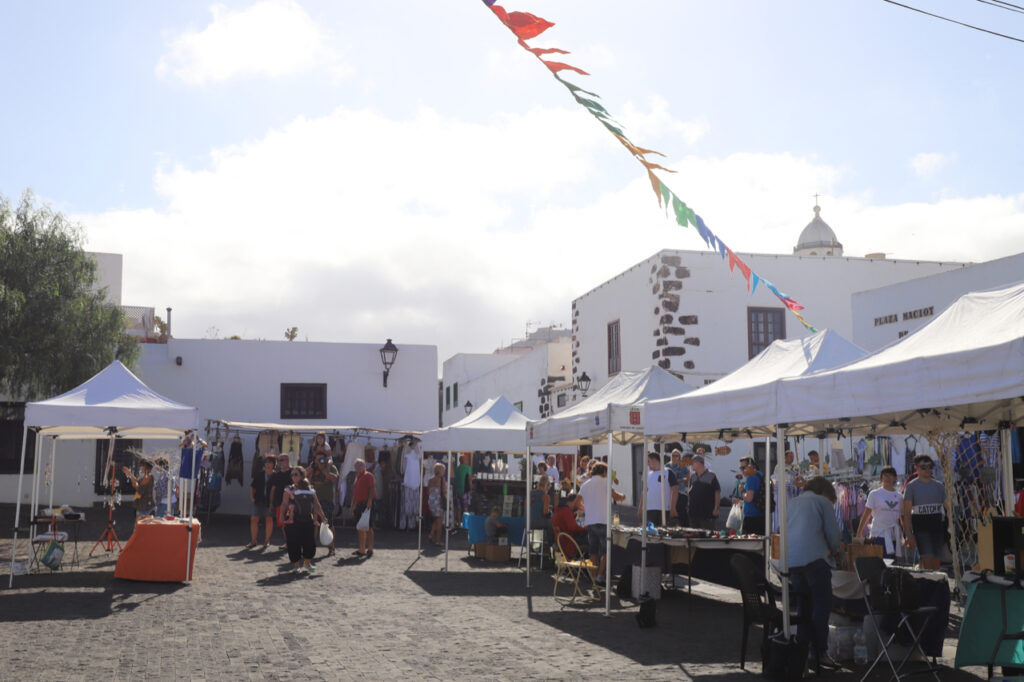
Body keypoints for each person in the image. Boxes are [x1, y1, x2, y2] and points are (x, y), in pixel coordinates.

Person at [786, 476, 842, 671]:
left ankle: (803, 649)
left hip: (792, 561)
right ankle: (820, 651)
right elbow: (834, 537)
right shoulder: (822, 502)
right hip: (815, 560)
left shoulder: (792, 503)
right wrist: (834, 550)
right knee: (821, 605)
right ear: (825, 492)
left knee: (804, 607)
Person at [577, 462, 625, 588]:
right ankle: (600, 577)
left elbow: (577, 503)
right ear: (603, 472)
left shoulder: (585, 484)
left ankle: (594, 578)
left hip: (590, 522)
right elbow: (617, 497)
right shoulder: (605, 483)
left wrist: (587, 508)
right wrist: (624, 496)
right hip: (603, 521)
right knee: (606, 551)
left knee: (593, 551)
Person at [902, 454, 946, 570]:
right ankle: (928, 585)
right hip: (921, 528)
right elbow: (906, 513)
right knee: (927, 561)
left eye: (930, 466)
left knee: (936, 564)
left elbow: (949, 509)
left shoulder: (940, 486)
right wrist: (909, 534)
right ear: (916, 468)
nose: (928, 470)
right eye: (923, 467)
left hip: (937, 527)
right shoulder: (911, 487)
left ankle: (933, 586)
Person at [280, 466, 327, 574]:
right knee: (293, 542)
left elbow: (316, 505)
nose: (293, 477)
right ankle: (296, 565)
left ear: (302, 476)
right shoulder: (289, 489)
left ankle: (307, 562)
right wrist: (281, 516)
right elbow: (284, 503)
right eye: (292, 475)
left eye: (296, 474)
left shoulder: (310, 489)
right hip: (294, 519)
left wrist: (323, 517)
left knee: (309, 542)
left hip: (307, 518)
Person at [855, 466, 905, 558]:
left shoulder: (899, 497)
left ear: (895, 478)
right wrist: (858, 534)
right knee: (878, 564)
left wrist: (907, 535)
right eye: (885, 475)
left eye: (890, 475)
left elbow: (902, 518)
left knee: (891, 565)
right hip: (878, 535)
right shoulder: (874, 494)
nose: (887, 477)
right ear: (881, 477)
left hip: (893, 536)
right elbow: (866, 515)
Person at [309, 452, 339, 556]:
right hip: (314, 499)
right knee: (313, 523)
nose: (319, 461)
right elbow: (305, 477)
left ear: (325, 459)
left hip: (327, 499)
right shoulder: (313, 467)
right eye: (317, 459)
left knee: (329, 523)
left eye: (321, 459)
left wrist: (324, 468)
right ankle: (311, 546)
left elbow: (335, 478)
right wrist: (312, 467)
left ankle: (331, 547)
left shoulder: (331, 467)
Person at [640, 451, 678, 526]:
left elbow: (675, 490)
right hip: (649, 510)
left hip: (664, 510)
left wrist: (673, 507)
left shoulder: (668, 472)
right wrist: (640, 508)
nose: (647, 464)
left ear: (654, 461)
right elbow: (644, 491)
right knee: (650, 533)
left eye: (648, 461)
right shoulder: (648, 474)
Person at [247, 456, 276, 548]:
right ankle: (253, 541)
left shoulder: (276, 476)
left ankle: (267, 541)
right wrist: (252, 497)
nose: (267, 464)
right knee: (254, 519)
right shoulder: (260, 474)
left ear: (273, 464)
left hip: (269, 501)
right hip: (258, 500)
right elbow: (252, 486)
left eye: (270, 462)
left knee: (269, 519)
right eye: (266, 462)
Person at [350, 458, 376, 557]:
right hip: (359, 504)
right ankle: (362, 549)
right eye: (356, 465)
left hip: (366, 503)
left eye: (359, 465)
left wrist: (369, 501)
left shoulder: (368, 475)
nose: (357, 467)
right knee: (360, 527)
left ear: (364, 466)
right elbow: (355, 494)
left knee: (368, 526)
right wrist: (352, 507)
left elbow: (372, 488)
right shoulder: (357, 477)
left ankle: (370, 548)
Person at [687, 454, 721, 530]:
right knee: (694, 537)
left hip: (707, 514)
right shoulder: (692, 477)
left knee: (708, 537)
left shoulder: (711, 475)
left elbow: (717, 492)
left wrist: (716, 508)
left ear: (699, 463)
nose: (691, 465)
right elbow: (689, 493)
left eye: (693, 462)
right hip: (693, 513)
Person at [267, 454, 293, 549]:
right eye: (279, 460)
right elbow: (273, 489)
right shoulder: (276, 475)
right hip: (279, 503)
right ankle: (288, 543)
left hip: (292, 503)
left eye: (282, 460)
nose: (280, 462)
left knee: (292, 523)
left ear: (287, 460)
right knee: (283, 524)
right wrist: (271, 504)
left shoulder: (294, 472)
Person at [551, 493, 587, 557]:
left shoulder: (559, 509)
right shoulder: (566, 511)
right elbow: (573, 527)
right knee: (591, 542)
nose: (580, 504)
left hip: (559, 539)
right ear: (575, 501)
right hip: (568, 541)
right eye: (579, 502)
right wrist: (584, 528)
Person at [740, 457, 766, 536]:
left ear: (750, 466)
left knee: (749, 545)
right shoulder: (759, 475)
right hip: (761, 515)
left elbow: (749, 498)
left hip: (752, 518)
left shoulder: (751, 477)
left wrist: (742, 490)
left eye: (743, 467)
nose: (742, 471)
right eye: (740, 468)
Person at [426, 462, 446, 546]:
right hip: (438, 502)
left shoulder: (430, 480)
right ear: (440, 471)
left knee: (436, 519)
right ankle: (438, 540)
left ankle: (431, 535)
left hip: (431, 502)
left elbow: (428, 492)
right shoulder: (441, 480)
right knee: (439, 522)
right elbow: (444, 491)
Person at [454, 453, 474, 522]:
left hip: (457, 491)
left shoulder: (457, 468)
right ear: (464, 460)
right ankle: (465, 524)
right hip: (465, 491)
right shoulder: (468, 468)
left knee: (459, 508)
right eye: (467, 459)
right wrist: (471, 489)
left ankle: (459, 523)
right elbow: (469, 479)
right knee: (465, 509)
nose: (468, 461)